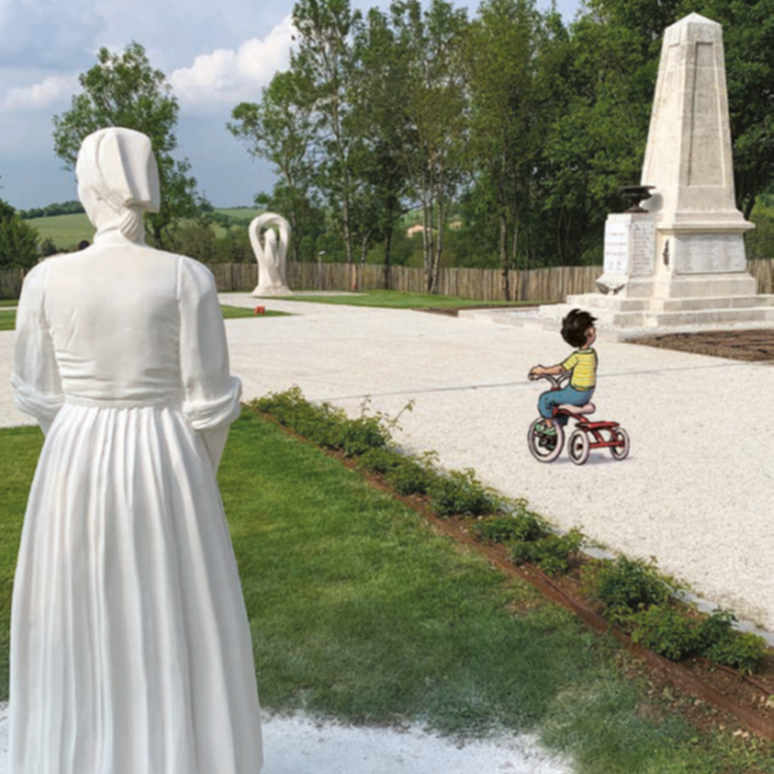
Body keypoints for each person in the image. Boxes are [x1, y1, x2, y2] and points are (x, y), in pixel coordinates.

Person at [10, 127, 262, 774]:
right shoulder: (187, 278)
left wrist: (76, 446)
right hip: (166, 455)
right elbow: (210, 405)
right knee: (177, 606)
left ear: (90, 186)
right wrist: (190, 479)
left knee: (76, 609)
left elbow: (38, 395)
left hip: (72, 455)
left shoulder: (43, 280)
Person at [529, 308, 598, 438]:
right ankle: (560, 422)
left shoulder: (577, 356)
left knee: (546, 398)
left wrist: (542, 370)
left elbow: (560, 369)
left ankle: (550, 428)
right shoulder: (592, 354)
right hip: (587, 393)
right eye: (591, 326)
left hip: (576, 393)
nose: (594, 329)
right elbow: (583, 371)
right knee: (561, 395)